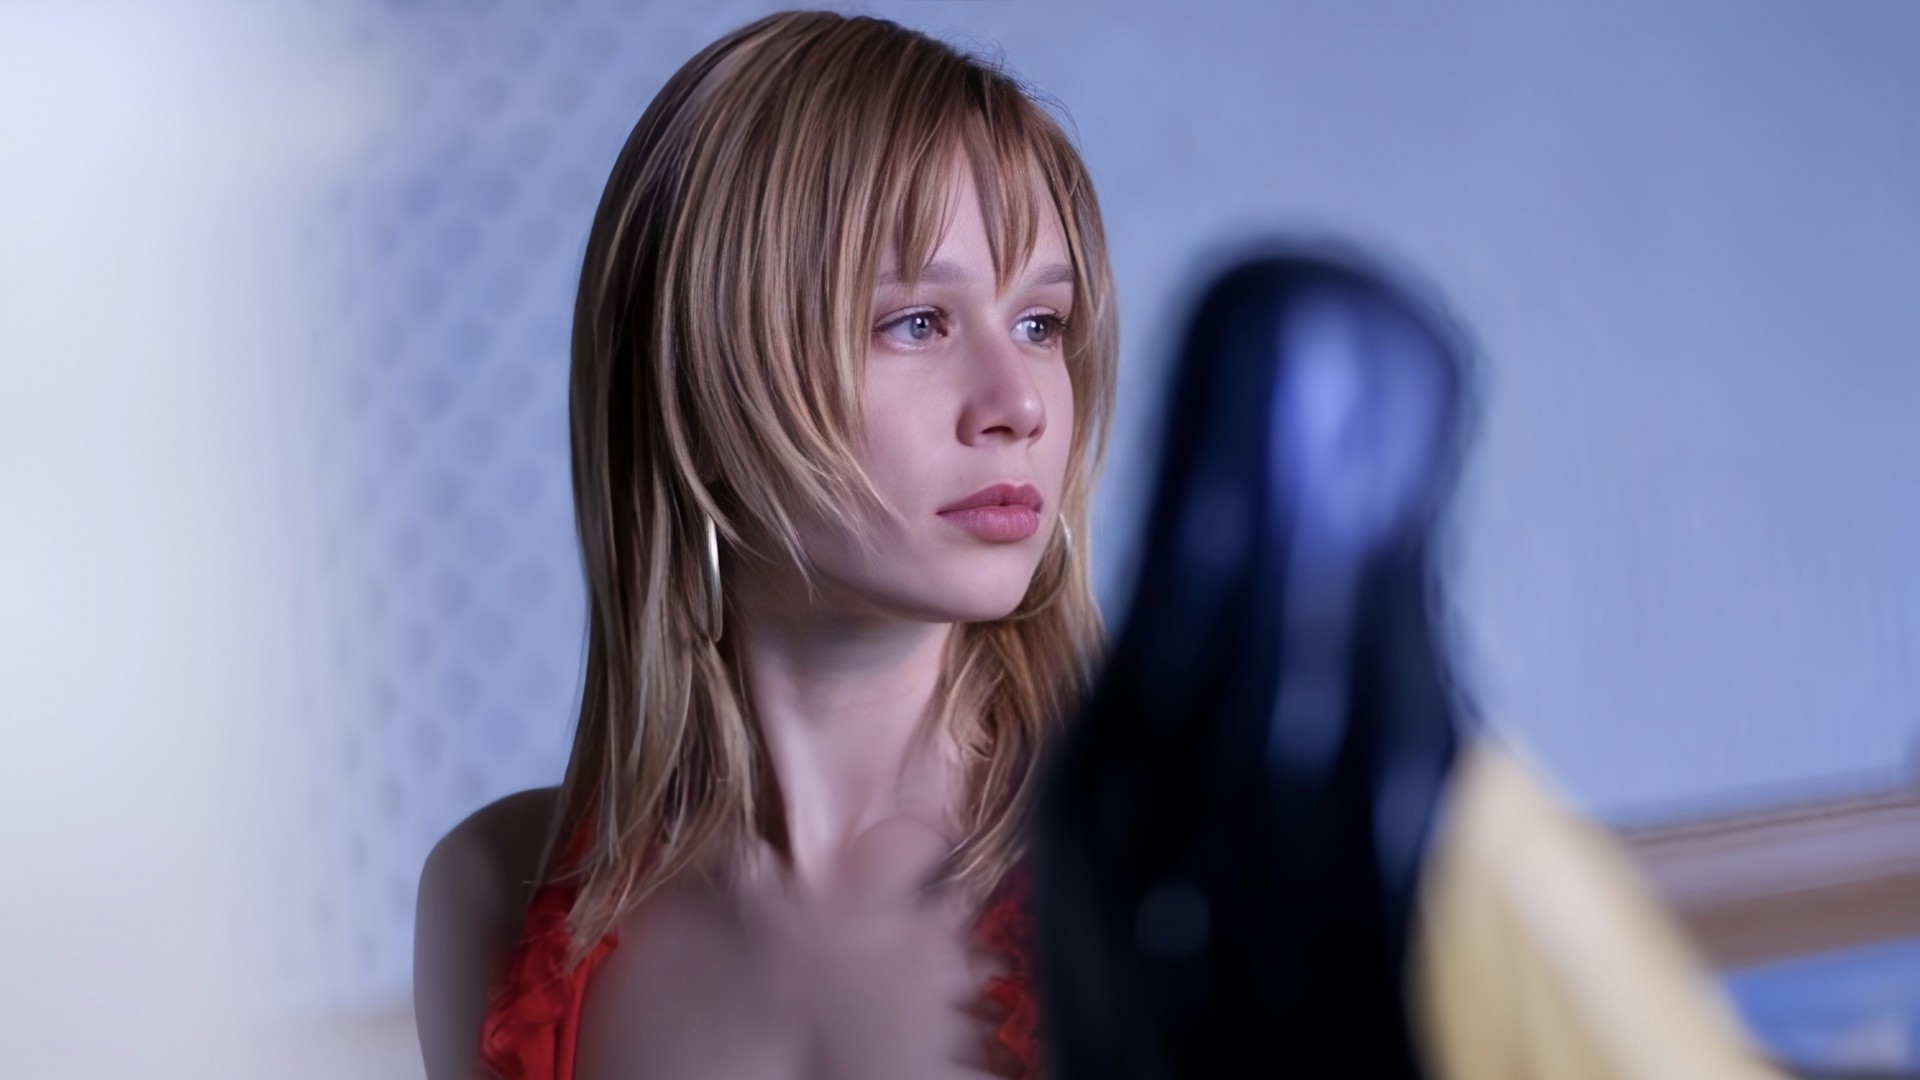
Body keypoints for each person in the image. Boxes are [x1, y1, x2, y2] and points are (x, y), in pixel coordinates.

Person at [412, 10, 1117, 1080]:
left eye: (1040, 325)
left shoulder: (1168, 874)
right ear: (702, 379)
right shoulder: (490, 894)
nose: (1019, 404)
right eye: (917, 322)